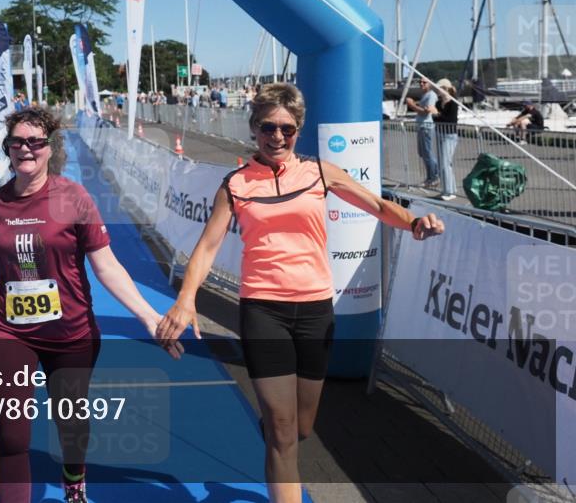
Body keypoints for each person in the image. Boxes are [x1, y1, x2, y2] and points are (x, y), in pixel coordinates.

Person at [155, 83, 444, 503]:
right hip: (262, 311)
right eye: (268, 127)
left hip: (314, 311)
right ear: (253, 128)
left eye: (287, 130)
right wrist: (186, 300)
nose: (277, 137)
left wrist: (414, 223)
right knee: (284, 432)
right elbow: (208, 247)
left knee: (302, 426)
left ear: (298, 132)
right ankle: (278, 447)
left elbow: (377, 206)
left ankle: (276, 436)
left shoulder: (320, 172)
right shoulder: (235, 184)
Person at [0, 106, 181, 503]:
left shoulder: (73, 197)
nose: (25, 149)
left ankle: (74, 479)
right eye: (16, 142)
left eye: (35, 142)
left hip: (71, 332)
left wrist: (149, 317)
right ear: (8, 148)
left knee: (71, 424)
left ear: (50, 148)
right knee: (13, 432)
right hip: (9, 331)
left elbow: (107, 266)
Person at [405, 77, 439, 188]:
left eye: (424, 82)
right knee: (423, 153)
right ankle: (432, 176)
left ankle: (433, 177)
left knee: (427, 153)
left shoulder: (431, 95)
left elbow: (426, 112)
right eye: (420, 82)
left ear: (430, 84)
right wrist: (415, 104)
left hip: (426, 127)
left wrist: (411, 105)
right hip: (422, 127)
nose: (421, 84)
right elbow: (423, 109)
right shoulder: (425, 95)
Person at [433, 79, 459, 201]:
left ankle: (450, 191)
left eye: (438, 88)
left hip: (450, 135)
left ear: (445, 88)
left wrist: (437, 114)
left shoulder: (453, 103)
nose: (436, 90)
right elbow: (437, 120)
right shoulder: (438, 103)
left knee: (445, 163)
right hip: (440, 133)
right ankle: (448, 189)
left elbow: (451, 120)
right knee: (443, 163)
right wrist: (435, 115)